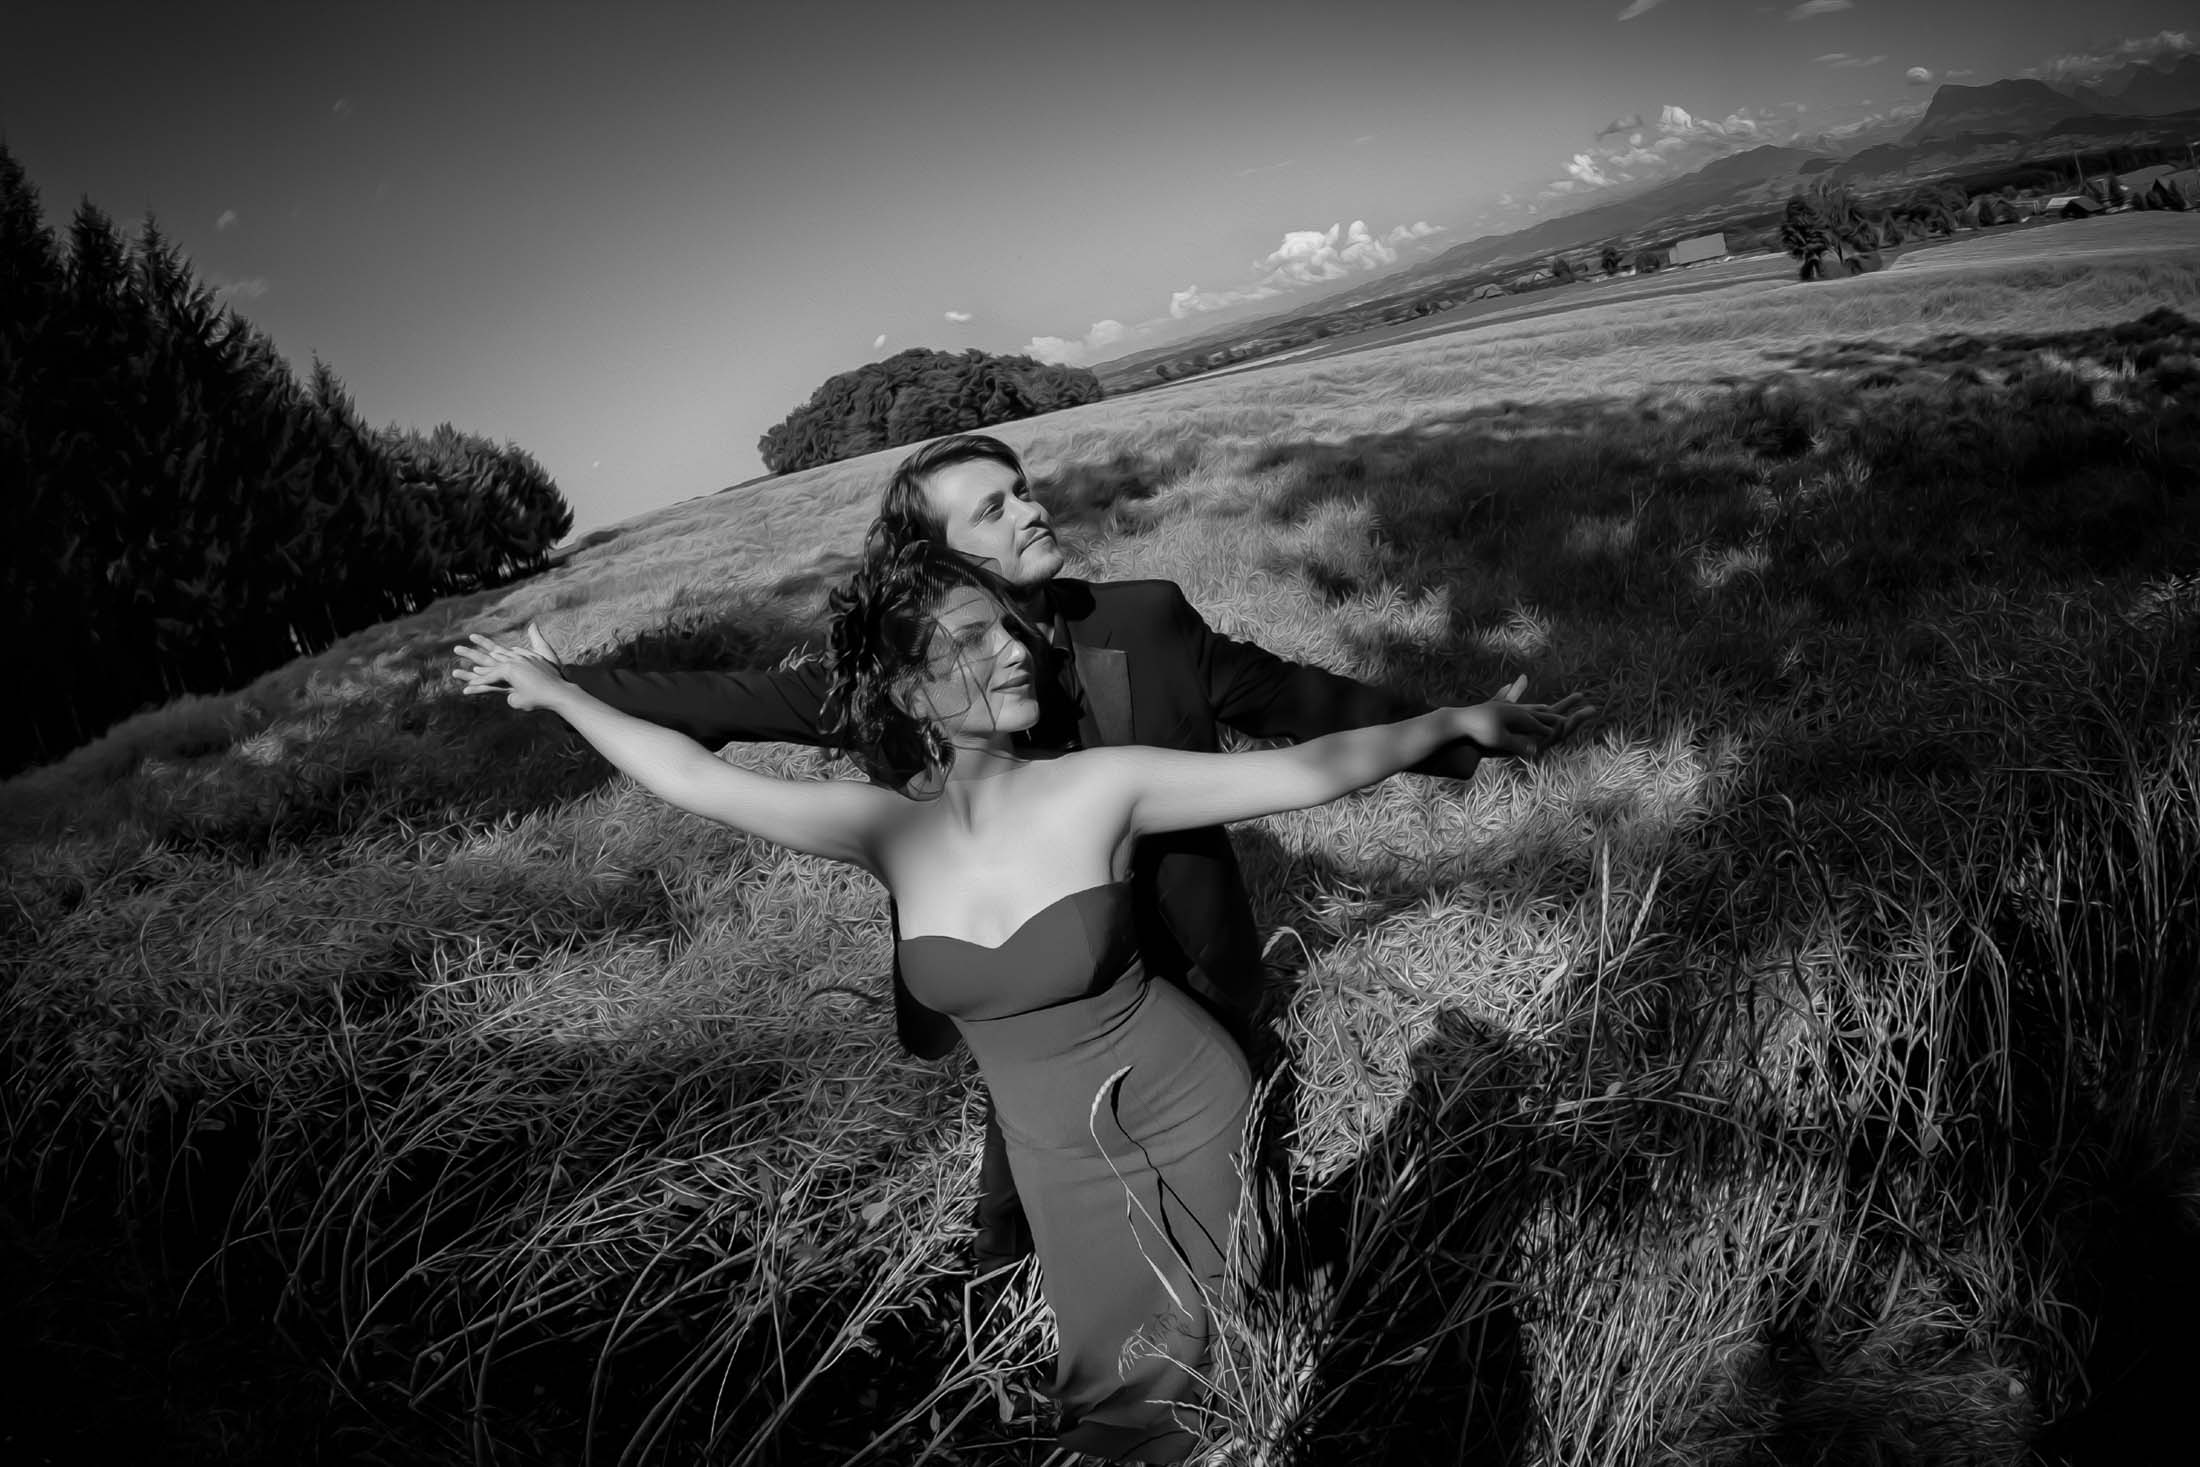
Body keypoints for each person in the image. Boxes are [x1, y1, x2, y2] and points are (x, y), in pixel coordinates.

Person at [453, 538, 1591, 1462]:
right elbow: (693, 775)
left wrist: (1451, 724)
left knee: (1179, 1387)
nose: (1010, 654)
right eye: (966, 641)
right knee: (1112, 1380)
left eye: (1007, 629)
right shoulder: (883, 830)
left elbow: (1306, 770)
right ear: (902, 687)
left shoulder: (1099, 786)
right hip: (1056, 1157)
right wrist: (555, 691)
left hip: (1184, 1116)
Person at [512, 433, 1570, 1281]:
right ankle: (1013, 1259)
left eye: (1023, 490)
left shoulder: (1145, 619)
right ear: (937, 564)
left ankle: (1266, 1282)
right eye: (995, 508)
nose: (1032, 510)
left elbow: (1294, 707)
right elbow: (725, 716)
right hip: (1021, 979)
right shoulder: (905, 667)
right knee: (1034, 1141)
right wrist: (568, 690)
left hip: (1180, 952)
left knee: (1237, 1155)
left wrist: (1447, 727)